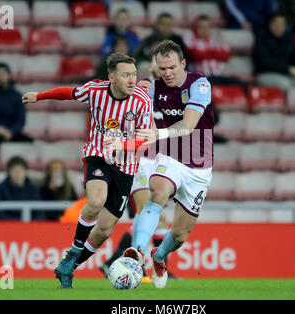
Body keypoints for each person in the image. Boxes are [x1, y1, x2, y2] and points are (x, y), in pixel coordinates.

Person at [22, 52, 153, 289]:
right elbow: (68, 93)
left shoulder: (142, 100)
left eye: (134, 74)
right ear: (112, 77)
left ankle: (68, 266)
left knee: (104, 229)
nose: (132, 79)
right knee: (96, 201)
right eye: (126, 75)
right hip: (98, 156)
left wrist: (122, 144)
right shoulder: (95, 90)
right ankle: (73, 251)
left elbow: (144, 140)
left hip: (126, 166)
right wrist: (39, 96)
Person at [109, 40, 214, 289]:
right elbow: (125, 95)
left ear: (183, 64)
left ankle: (158, 257)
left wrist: (159, 134)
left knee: (179, 235)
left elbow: (188, 125)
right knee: (158, 193)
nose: (167, 73)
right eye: (162, 68)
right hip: (170, 158)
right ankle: (138, 252)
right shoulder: (154, 88)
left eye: (172, 68)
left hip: (200, 167)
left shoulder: (199, 84)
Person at [252, 12, 295, 91]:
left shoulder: (288, 38)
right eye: (276, 23)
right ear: (270, 24)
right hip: (266, 73)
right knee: (285, 84)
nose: (279, 27)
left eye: (282, 24)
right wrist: (288, 68)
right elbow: (265, 61)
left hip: (286, 74)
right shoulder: (261, 37)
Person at [186, 14, 248, 89]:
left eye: (207, 27)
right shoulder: (190, 41)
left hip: (222, 76)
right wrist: (215, 53)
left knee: (244, 85)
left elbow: (226, 56)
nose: (205, 30)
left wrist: (206, 52)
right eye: (202, 27)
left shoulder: (216, 41)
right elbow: (195, 55)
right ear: (195, 28)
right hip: (204, 78)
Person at [0, 156, 43, 220]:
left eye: (20, 170)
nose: (18, 174)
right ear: (9, 172)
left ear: (25, 172)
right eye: (14, 170)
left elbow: (40, 212)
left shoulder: (34, 189)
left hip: (31, 226)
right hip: (7, 226)